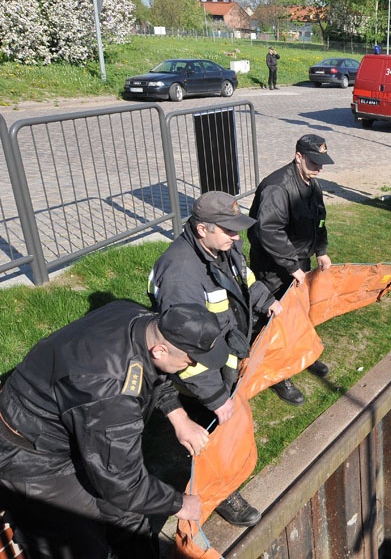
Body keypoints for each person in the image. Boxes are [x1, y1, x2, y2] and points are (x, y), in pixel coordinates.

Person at [0, 301, 220, 559]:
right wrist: (179, 504)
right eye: (190, 361)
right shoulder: (112, 394)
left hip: (80, 421)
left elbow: (158, 373)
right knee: (78, 545)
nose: (192, 366)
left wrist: (179, 417)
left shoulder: (138, 318)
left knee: (129, 518)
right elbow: (122, 483)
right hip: (35, 455)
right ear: (160, 349)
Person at [148, 191, 285, 527]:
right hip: (198, 378)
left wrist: (266, 300)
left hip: (225, 355)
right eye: (228, 230)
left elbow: (245, 279)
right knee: (209, 434)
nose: (236, 236)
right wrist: (214, 398)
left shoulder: (224, 245)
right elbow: (185, 354)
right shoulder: (180, 277)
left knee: (227, 422)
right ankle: (221, 492)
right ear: (201, 230)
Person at [247, 134, 333, 400]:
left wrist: (321, 250)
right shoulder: (277, 187)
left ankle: (302, 356)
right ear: (298, 157)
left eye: (322, 162)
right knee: (275, 319)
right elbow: (268, 231)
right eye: (313, 161)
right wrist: (292, 265)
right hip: (273, 265)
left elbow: (319, 220)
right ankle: (279, 375)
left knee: (300, 312)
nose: (319, 167)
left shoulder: (312, 185)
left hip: (299, 261)